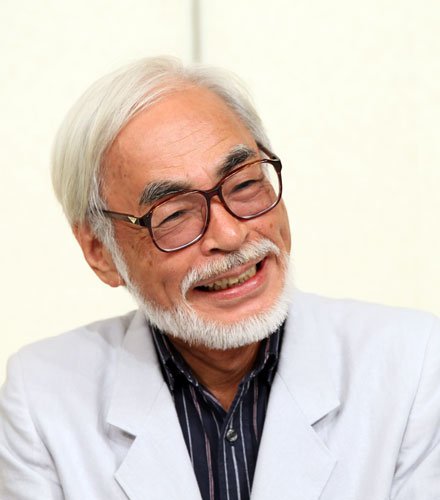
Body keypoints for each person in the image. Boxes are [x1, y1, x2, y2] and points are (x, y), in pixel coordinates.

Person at [0, 57, 439, 500]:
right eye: (174, 214)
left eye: (245, 184)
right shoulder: (41, 398)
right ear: (101, 252)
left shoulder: (415, 364)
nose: (230, 235)